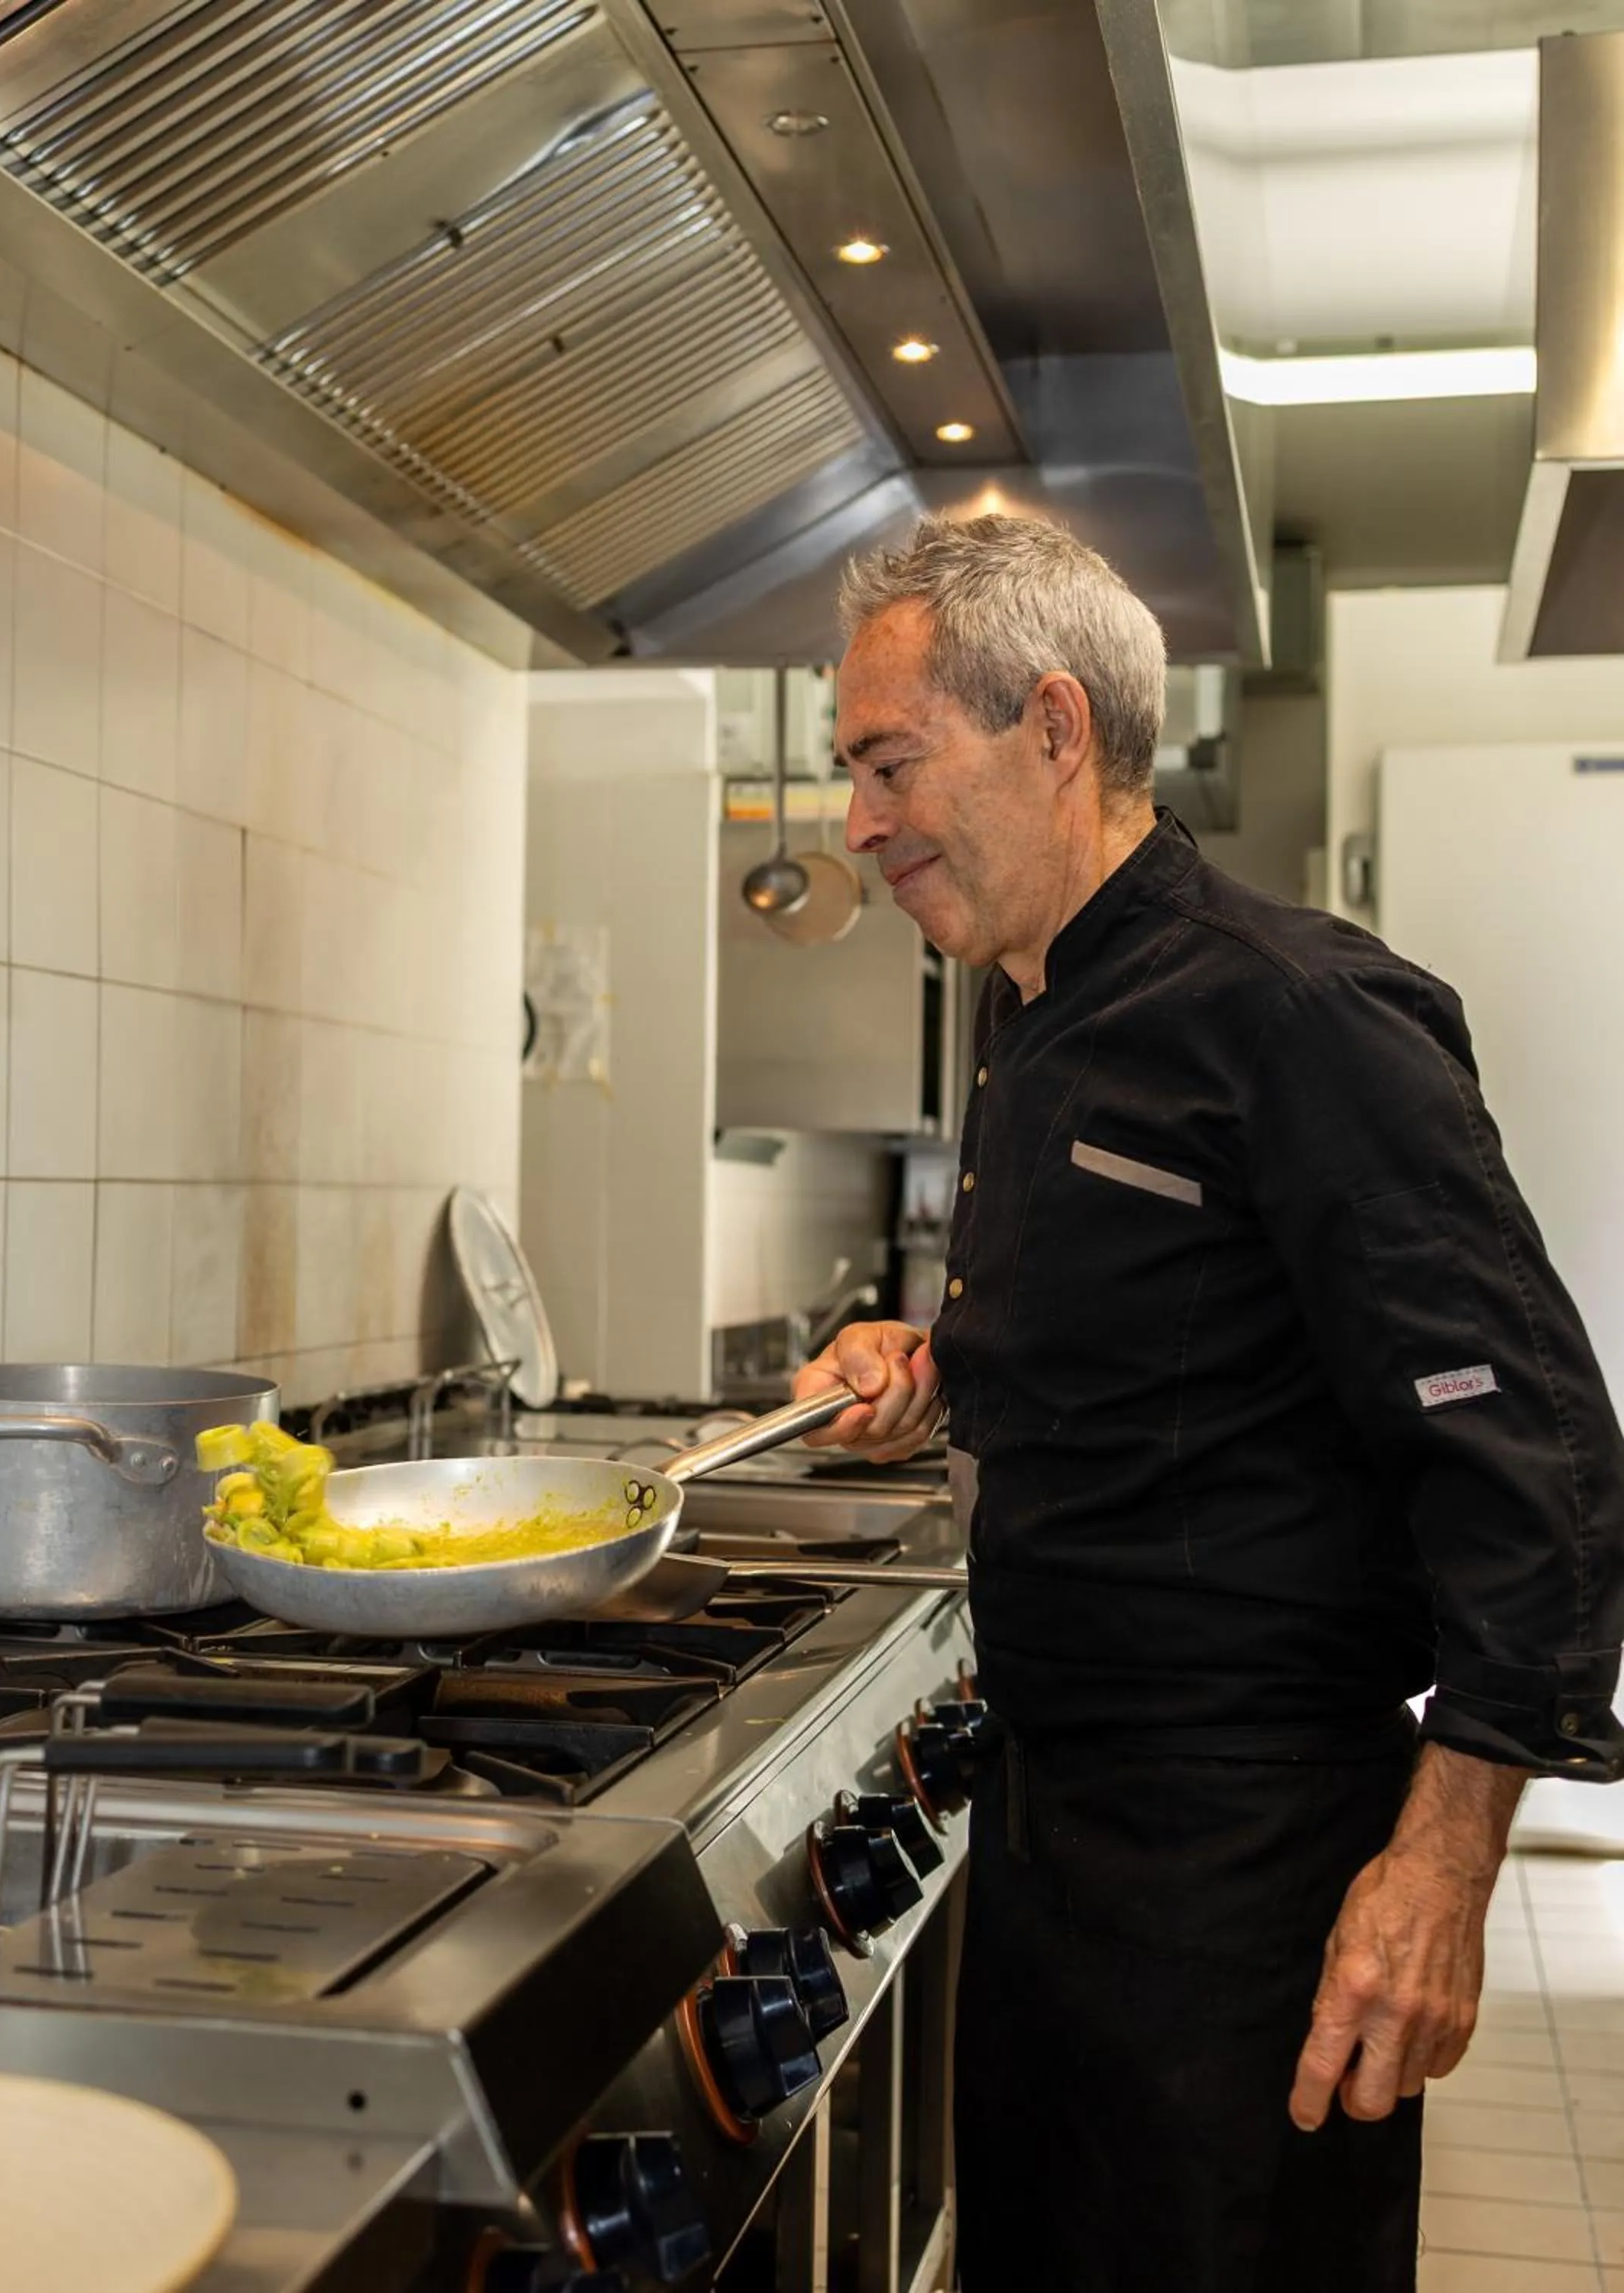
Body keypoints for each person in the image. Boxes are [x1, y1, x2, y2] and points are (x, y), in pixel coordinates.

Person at [793, 512, 1624, 2291]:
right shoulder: (1026, 1013)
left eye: (887, 762)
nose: (857, 822)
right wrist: (932, 1370)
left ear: (1054, 728)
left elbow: (1540, 1458)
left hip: (1252, 1877)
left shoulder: (1298, 1015)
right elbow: (1176, 1348)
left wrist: (1443, 1872)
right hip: (1051, 1839)